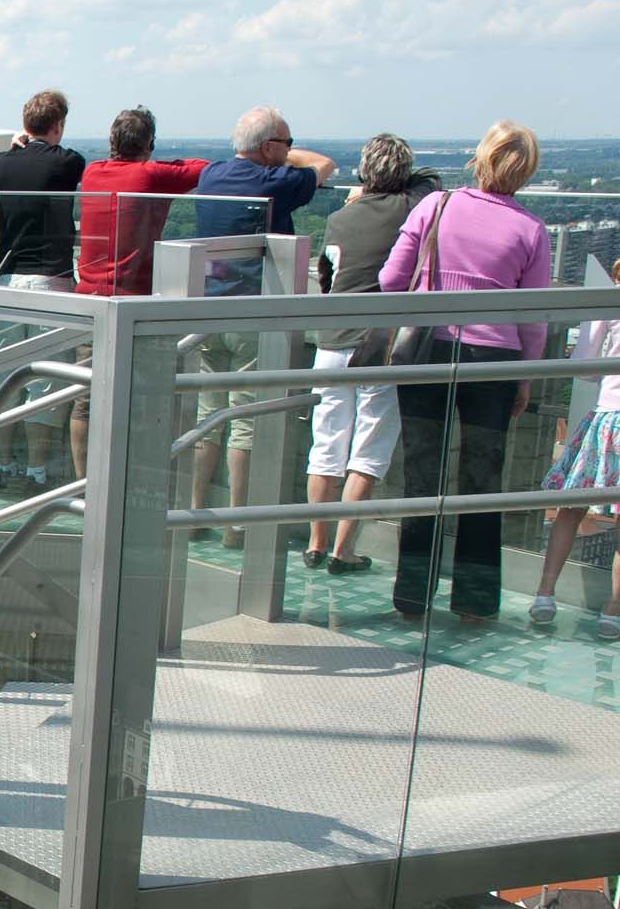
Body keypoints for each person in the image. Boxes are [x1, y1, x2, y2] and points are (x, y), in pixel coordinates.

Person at [382, 120, 551, 624]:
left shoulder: (435, 206)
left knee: (422, 478)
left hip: (428, 352)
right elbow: (534, 321)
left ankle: (412, 599)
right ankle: (474, 605)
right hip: (493, 362)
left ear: (479, 159)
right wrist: (524, 379)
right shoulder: (531, 230)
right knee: (482, 484)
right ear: (525, 172)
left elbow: (391, 280)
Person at [188, 107, 338, 545]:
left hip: (206, 309)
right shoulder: (274, 182)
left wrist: (279, 150)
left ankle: (194, 513)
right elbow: (325, 165)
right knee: (245, 419)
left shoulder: (212, 175)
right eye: (285, 142)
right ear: (269, 147)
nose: (290, 151)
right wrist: (289, 156)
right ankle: (236, 523)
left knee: (207, 416)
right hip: (252, 313)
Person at [304, 135, 440, 575]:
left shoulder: (340, 218)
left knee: (325, 446)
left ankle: (315, 543)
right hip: (378, 345)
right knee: (368, 451)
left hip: (331, 342)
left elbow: (327, 277)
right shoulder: (411, 207)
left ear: (364, 172)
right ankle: (343, 551)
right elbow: (432, 181)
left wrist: (361, 192)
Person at [71, 106, 210, 474]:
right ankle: (132, 476)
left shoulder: (92, 172)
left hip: (89, 299)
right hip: (136, 305)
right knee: (142, 397)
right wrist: (163, 161)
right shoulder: (151, 174)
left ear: (112, 141)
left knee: (86, 398)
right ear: (148, 143)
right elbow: (205, 169)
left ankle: (84, 482)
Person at [0, 90, 85, 493]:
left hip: (7, 280)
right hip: (50, 279)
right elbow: (73, 162)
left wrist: (18, 146)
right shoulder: (66, 163)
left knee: (4, 381)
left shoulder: (1, 163)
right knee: (45, 384)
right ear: (57, 124)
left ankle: (4, 466)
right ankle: (36, 472)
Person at [530, 261, 620, 641]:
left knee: (570, 508)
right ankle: (613, 611)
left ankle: (545, 593)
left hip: (607, 417)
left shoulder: (608, 300)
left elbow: (585, 365)